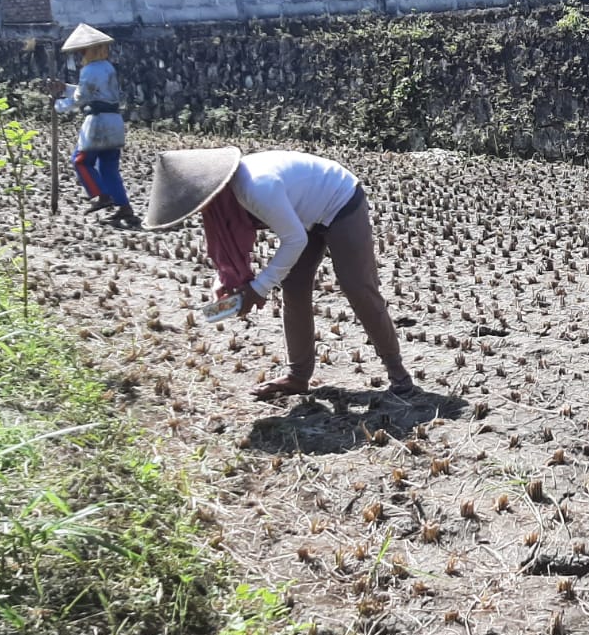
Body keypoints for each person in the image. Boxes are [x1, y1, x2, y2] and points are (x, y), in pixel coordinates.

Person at [142, 146, 416, 400]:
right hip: (305, 214)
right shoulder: (222, 204)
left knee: (357, 285)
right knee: (294, 288)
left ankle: (398, 373)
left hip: (339, 199)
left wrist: (259, 288)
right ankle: (297, 376)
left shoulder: (256, 188)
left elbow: (294, 240)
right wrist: (224, 281)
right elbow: (228, 246)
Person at [52, 23, 138, 228]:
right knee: (109, 167)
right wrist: (65, 89)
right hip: (114, 121)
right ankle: (123, 206)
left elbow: (83, 97)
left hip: (98, 122)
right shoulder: (107, 67)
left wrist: (59, 106)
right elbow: (93, 92)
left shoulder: (90, 69)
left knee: (81, 161)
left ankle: (100, 195)